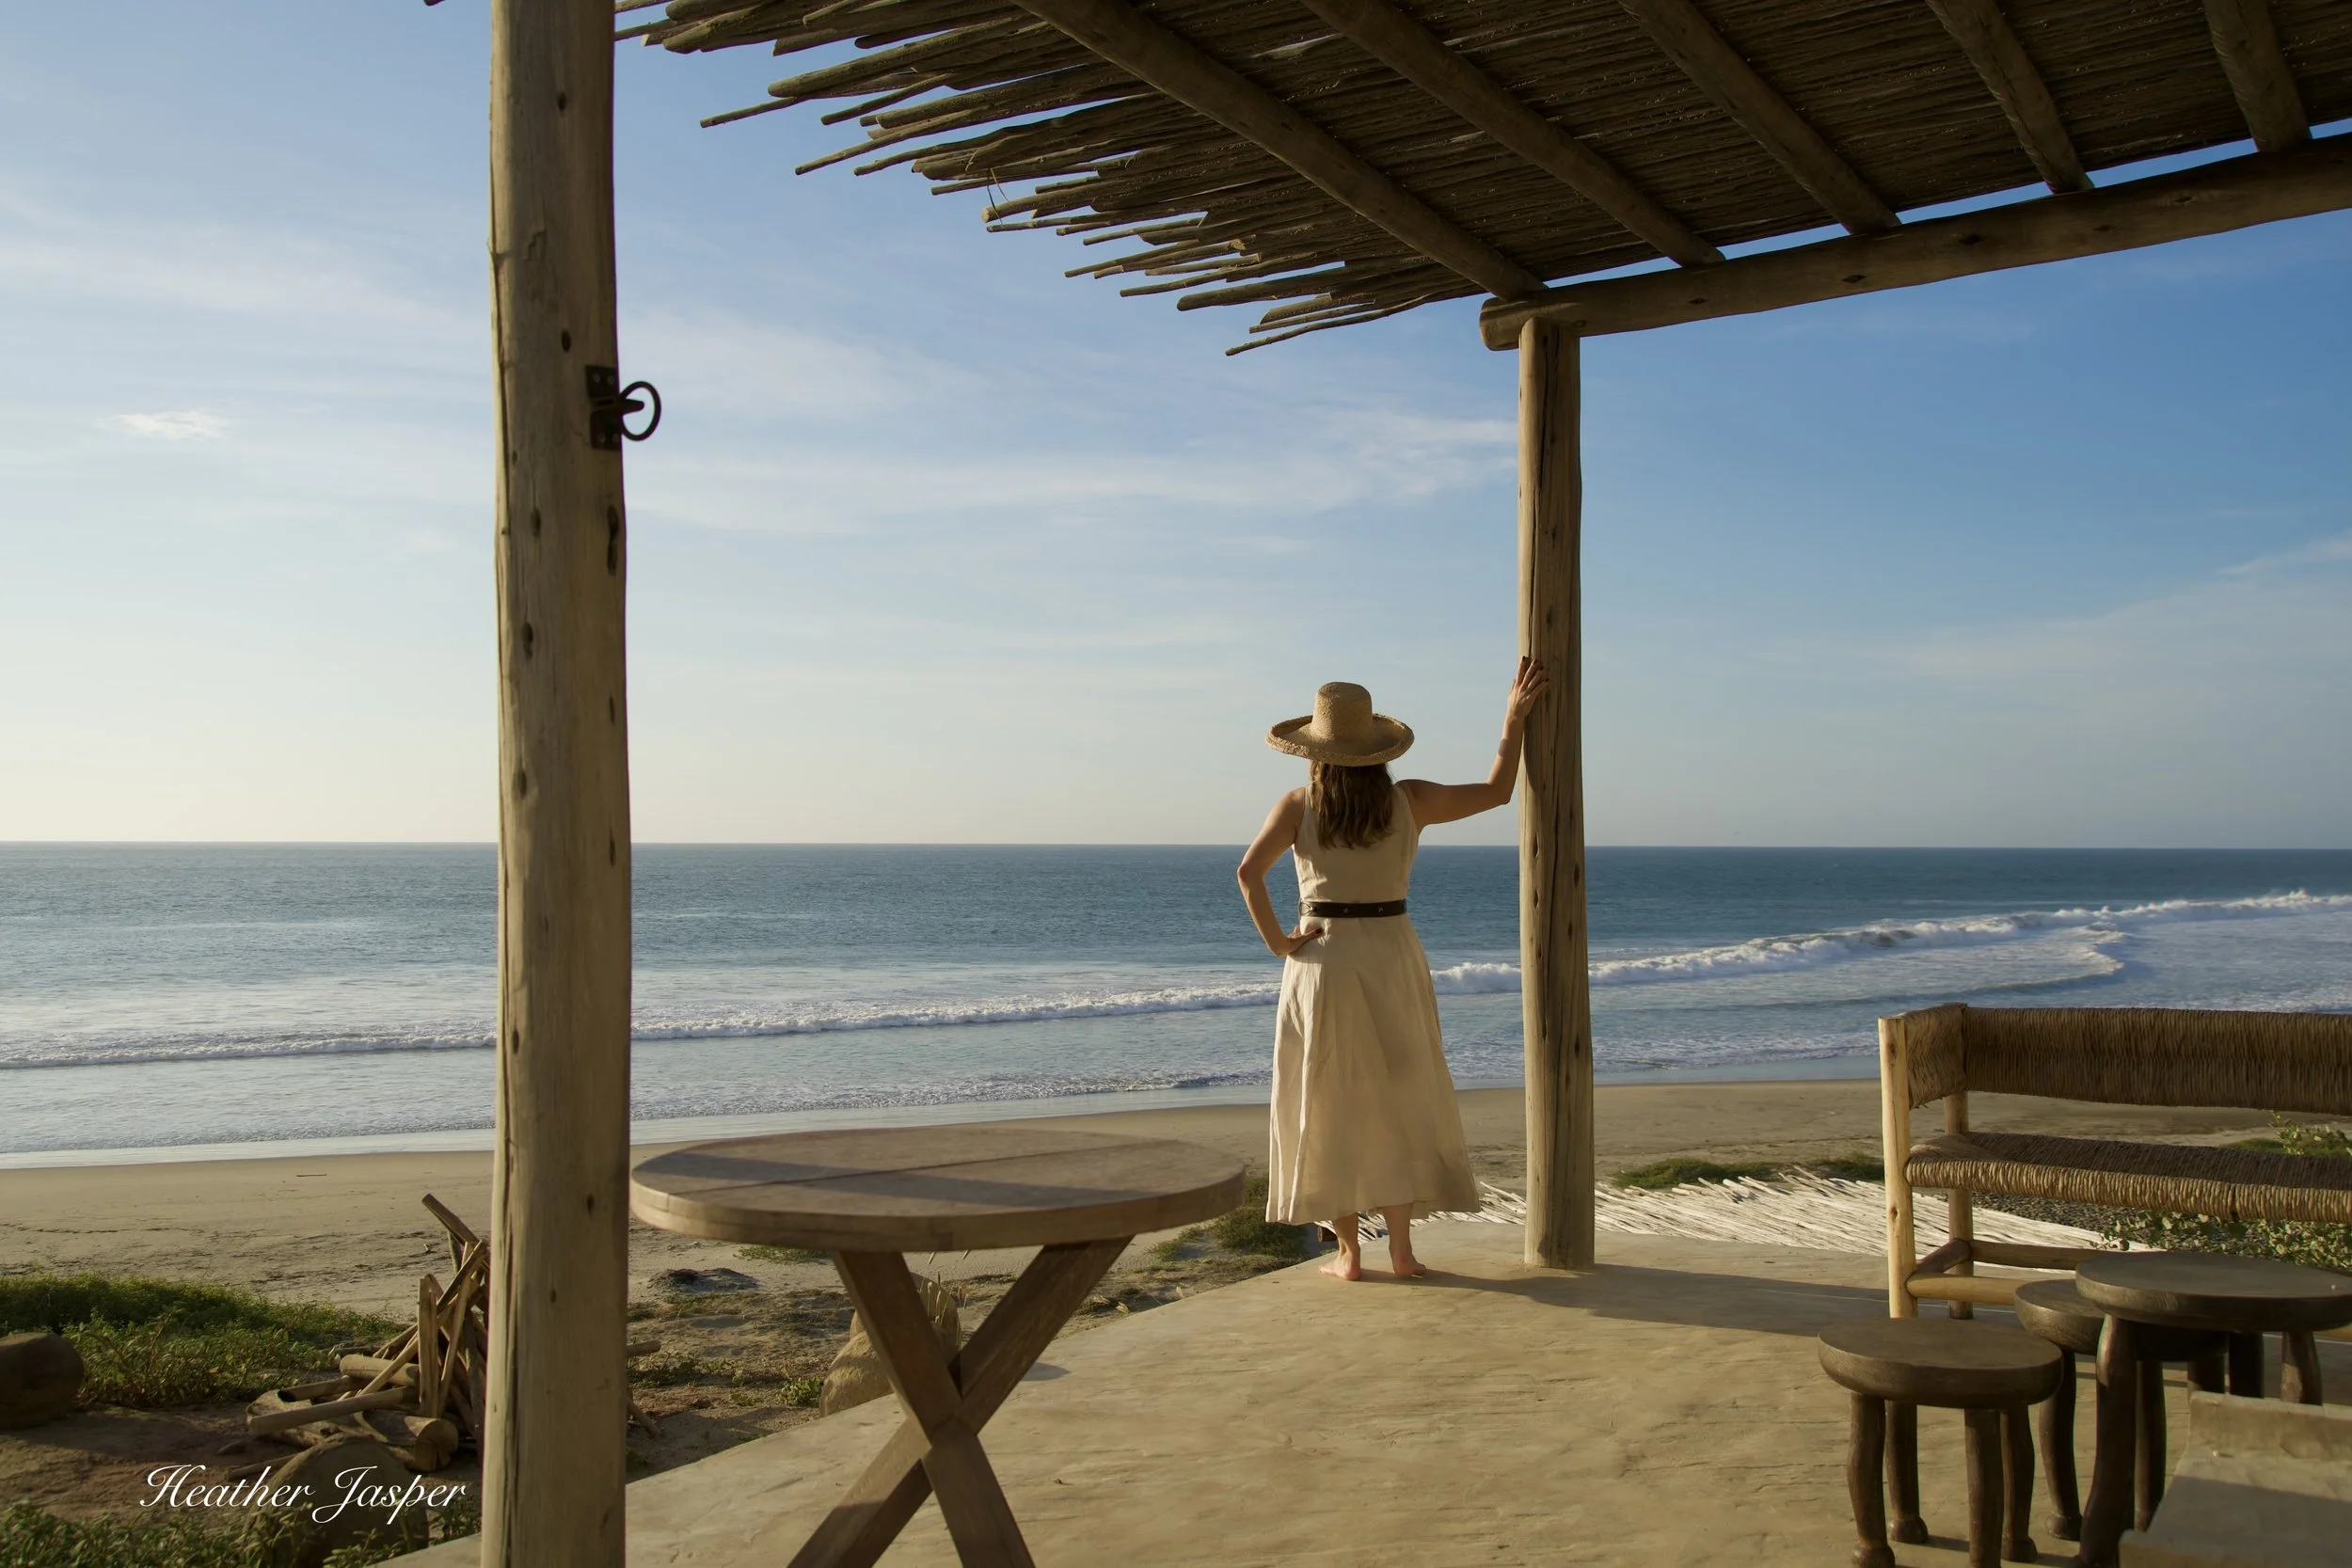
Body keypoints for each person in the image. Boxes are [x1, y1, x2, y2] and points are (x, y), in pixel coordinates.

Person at [1236, 659, 1549, 1280]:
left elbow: (1248, 873)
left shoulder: (1298, 804)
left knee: (1332, 1098)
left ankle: (1350, 1254)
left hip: (1323, 957)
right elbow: (1496, 790)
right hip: (1392, 949)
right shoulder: (1410, 800)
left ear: (1315, 751)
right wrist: (1512, 720)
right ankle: (1401, 1250)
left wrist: (1279, 943)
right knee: (1400, 1094)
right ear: (1379, 749)